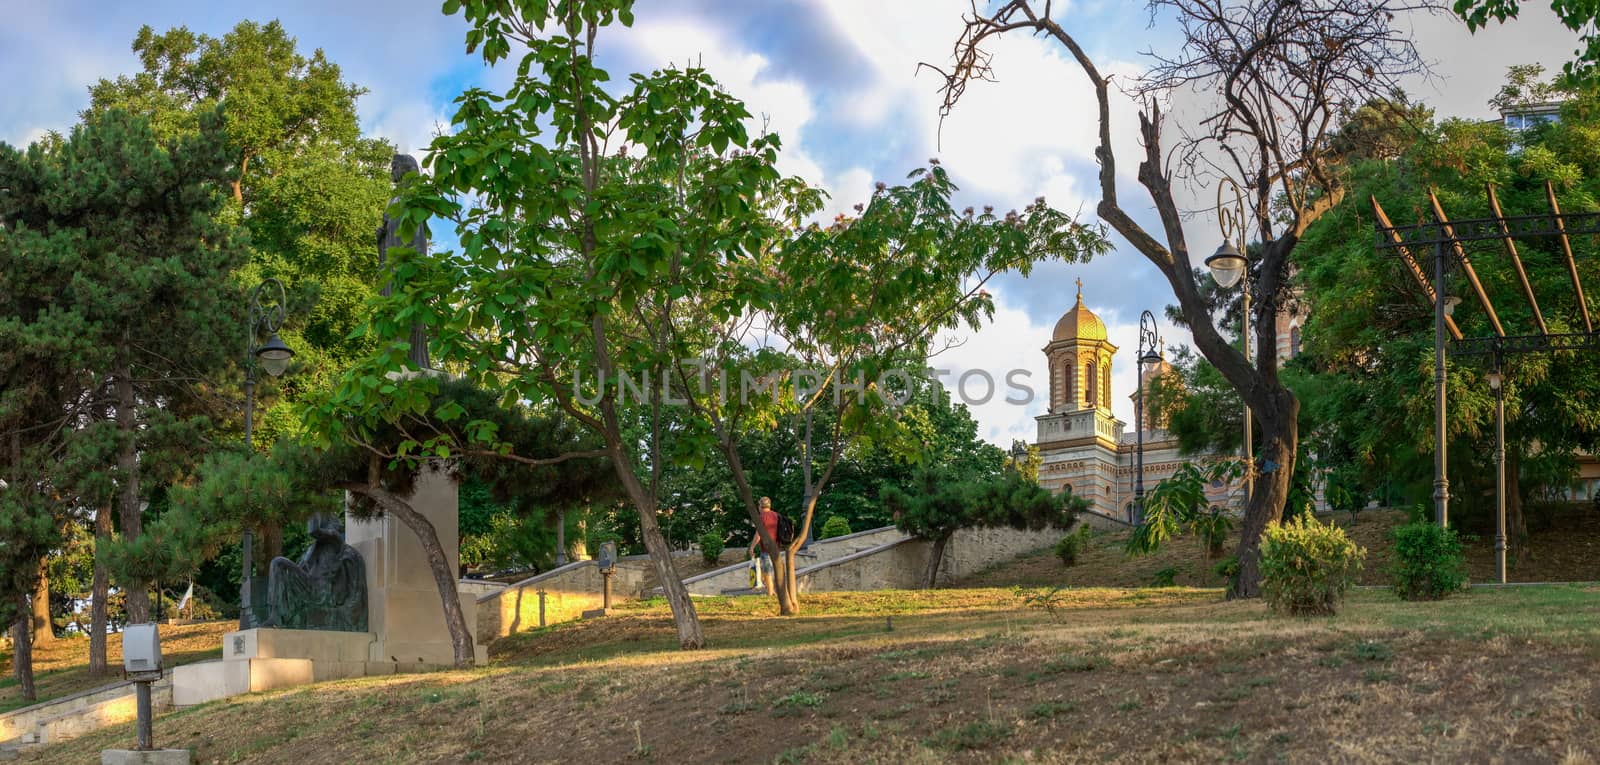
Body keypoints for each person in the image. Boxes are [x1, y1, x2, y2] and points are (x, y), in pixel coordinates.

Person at [746, 497, 780, 594]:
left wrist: (752, 547)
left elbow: (758, 535)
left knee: (767, 571)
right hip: (776, 548)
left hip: (766, 549)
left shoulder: (761, 517)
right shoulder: (776, 515)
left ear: (760, 506)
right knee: (775, 570)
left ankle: (770, 592)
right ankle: (774, 591)